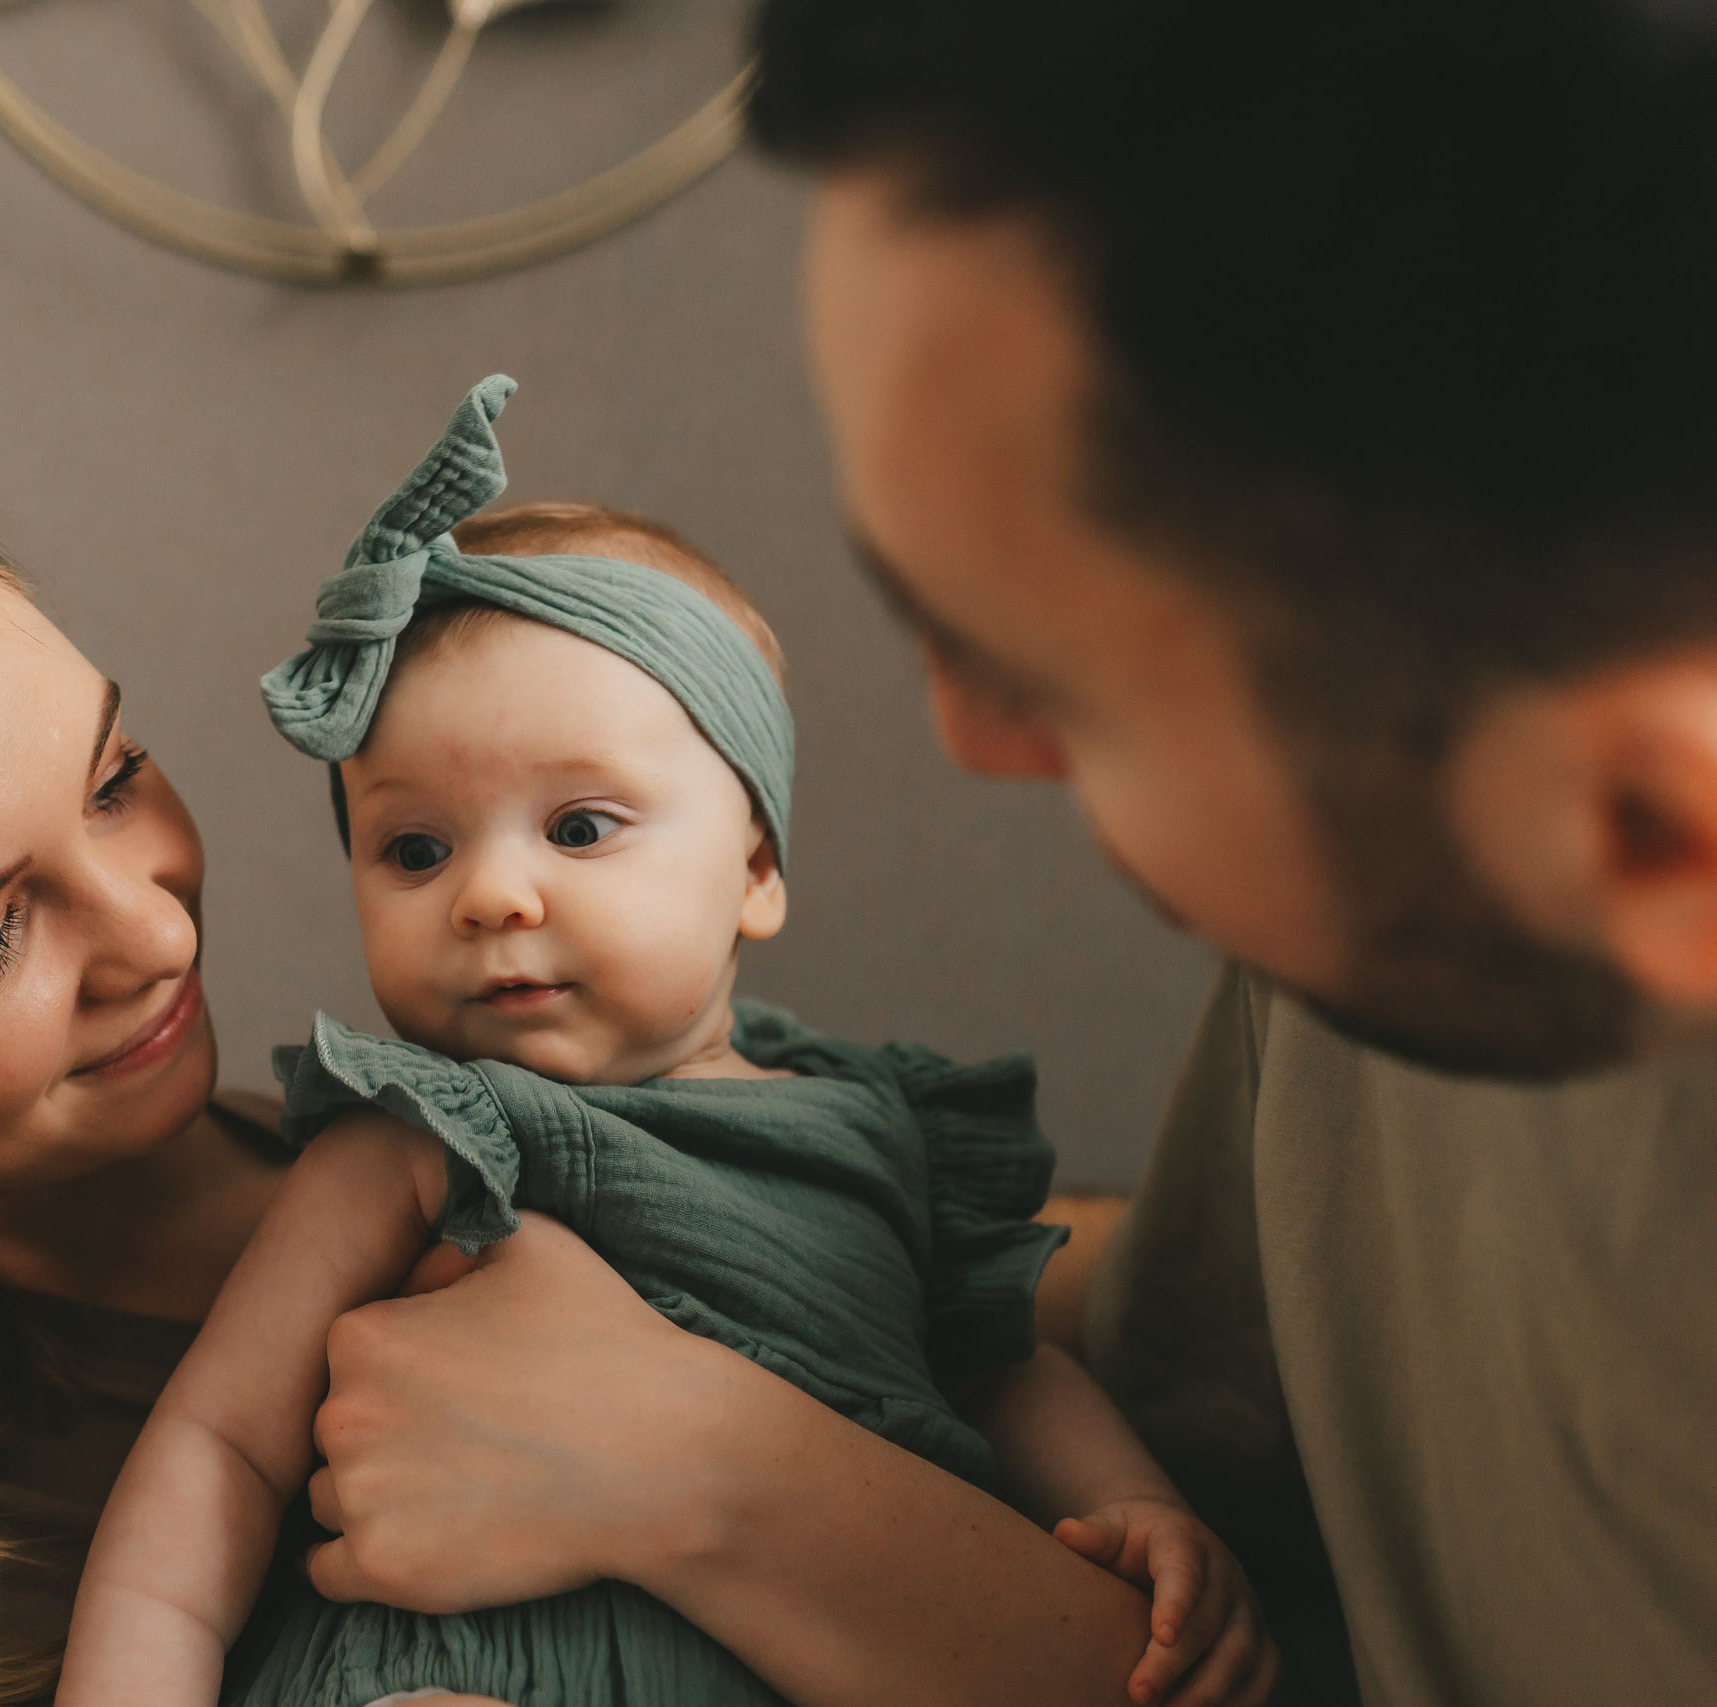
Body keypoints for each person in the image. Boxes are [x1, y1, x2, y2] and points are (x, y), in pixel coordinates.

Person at [281, 5, 1717, 1705]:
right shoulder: (1372, 936)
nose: (966, 739)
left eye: (1059, 685)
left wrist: (708, 1470)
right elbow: (1136, 1381)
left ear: (1650, 837)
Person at [0, 440, 1168, 1707]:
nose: (152, 933)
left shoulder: (515, 1155)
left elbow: (1132, 1640)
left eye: (118, 776)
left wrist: (685, 1455)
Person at [53, 378, 1270, 1707]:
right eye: (414, 847)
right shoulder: (416, 1139)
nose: (492, 895)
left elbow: (1004, 1371)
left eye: (578, 828)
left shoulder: (887, 1132)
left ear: (755, 865)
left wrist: (1136, 1505)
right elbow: (219, 1450)